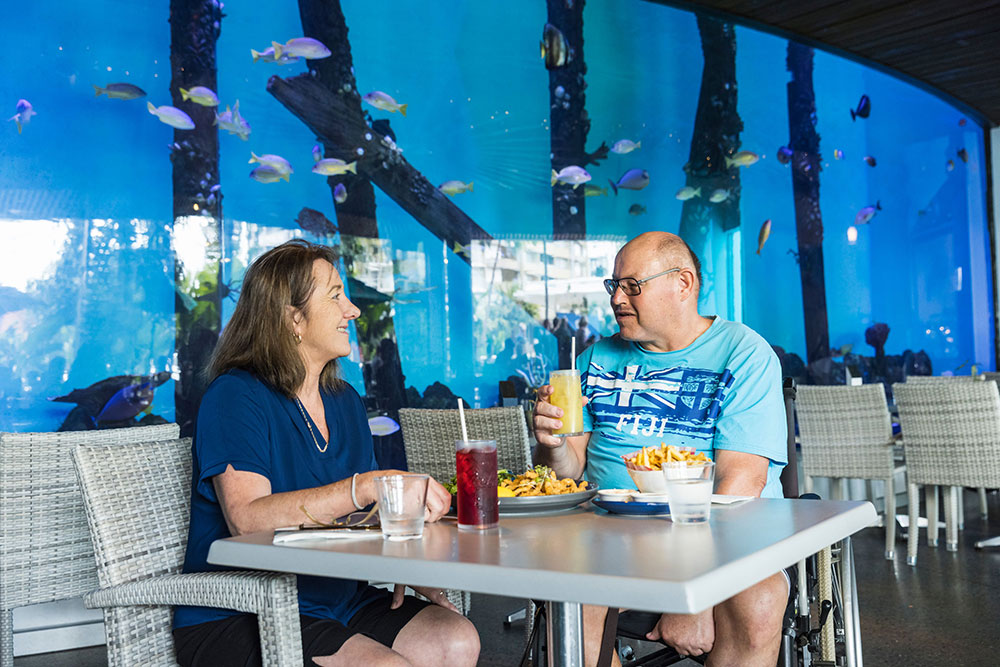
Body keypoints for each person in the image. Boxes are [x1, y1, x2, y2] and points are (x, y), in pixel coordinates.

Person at [173, 239, 480, 667]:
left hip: (335, 595)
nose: (352, 310)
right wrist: (366, 486)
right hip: (240, 608)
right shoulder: (235, 396)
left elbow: (362, 518)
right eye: (336, 295)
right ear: (293, 317)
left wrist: (410, 563)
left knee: (455, 639)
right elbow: (247, 518)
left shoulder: (344, 401)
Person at [533, 232, 787, 667]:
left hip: (725, 536)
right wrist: (553, 444)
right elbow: (567, 472)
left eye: (632, 285)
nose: (617, 299)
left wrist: (697, 593)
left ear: (683, 284)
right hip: (607, 535)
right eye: (613, 285)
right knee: (572, 592)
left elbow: (742, 484)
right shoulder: (594, 359)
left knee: (758, 602)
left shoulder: (744, 354)